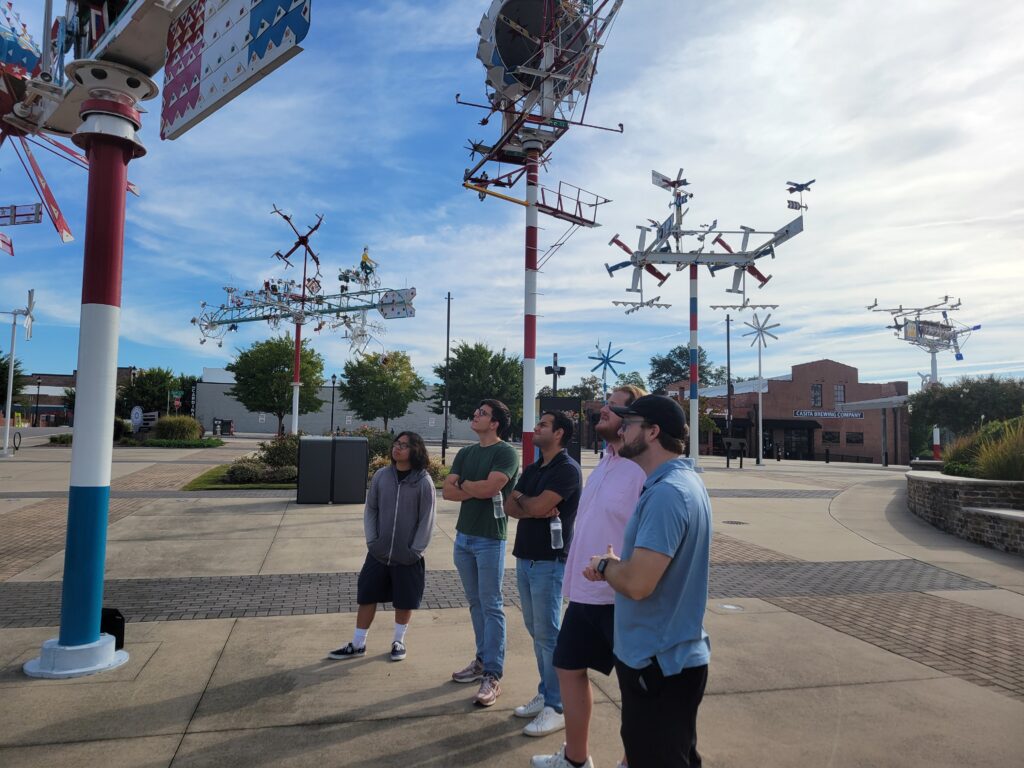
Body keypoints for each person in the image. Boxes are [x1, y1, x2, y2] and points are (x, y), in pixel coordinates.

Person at [586, 395, 712, 768]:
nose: (621, 429)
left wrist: (607, 566)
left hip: (658, 664)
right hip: (672, 658)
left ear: (653, 432)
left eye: (630, 423)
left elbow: (640, 584)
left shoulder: (667, 495)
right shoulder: (683, 482)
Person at [532, 386, 646, 768]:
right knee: (567, 665)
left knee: (634, 686)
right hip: (585, 590)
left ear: (635, 420)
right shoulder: (606, 460)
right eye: (604, 401)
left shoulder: (642, 469)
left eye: (615, 405)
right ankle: (575, 759)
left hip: (619, 595)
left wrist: (619, 571)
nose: (603, 408)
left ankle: (633, 760)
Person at [328, 431, 436, 662]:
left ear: (415, 450)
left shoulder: (423, 481)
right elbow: (371, 509)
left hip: (408, 556)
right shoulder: (381, 476)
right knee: (367, 595)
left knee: (405, 600)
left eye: (404, 445)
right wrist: (372, 541)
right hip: (378, 553)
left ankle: (398, 641)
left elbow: (427, 518)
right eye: (396, 443)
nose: (398, 448)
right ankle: (358, 644)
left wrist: (415, 550)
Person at [506, 411, 582, 738]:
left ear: (560, 433)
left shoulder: (567, 470)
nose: (536, 428)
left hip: (550, 561)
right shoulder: (536, 467)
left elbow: (537, 509)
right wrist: (528, 500)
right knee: (535, 629)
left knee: (549, 632)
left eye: (543, 425)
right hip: (525, 557)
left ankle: (558, 705)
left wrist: (529, 504)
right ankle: (546, 692)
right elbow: (510, 505)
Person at [443, 399, 520, 707]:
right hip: (463, 539)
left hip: (490, 539)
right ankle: (480, 661)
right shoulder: (465, 452)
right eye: (476, 411)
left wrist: (464, 484)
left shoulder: (505, 453)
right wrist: (474, 486)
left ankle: (492, 674)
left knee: (491, 605)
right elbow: (447, 492)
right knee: (476, 604)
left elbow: (493, 490)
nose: (475, 415)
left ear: (496, 422)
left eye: (482, 413)